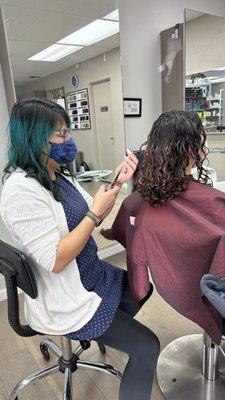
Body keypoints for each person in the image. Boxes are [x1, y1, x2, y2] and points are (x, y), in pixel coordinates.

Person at [0, 98, 160, 400]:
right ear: (34, 137)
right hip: (66, 294)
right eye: (61, 135)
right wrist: (97, 214)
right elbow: (56, 259)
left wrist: (117, 182)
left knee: (142, 288)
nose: (69, 141)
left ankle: (105, 327)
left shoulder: (54, 173)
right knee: (148, 347)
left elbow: (84, 212)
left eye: (67, 132)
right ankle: (98, 328)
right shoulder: (20, 191)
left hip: (91, 272)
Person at [102, 110, 225, 343]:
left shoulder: (139, 200)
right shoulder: (213, 204)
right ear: (193, 147)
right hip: (208, 296)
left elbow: (135, 248)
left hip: (173, 288)